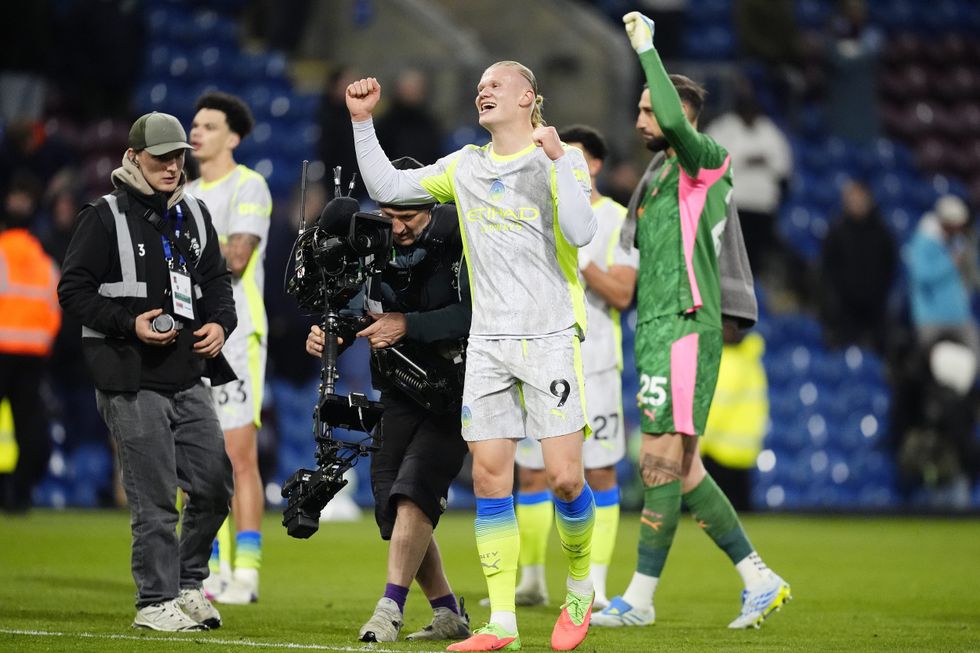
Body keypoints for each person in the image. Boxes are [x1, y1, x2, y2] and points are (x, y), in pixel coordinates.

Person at [346, 60, 598, 652]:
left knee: (565, 479)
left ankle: (580, 586)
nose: (483, 90)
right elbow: (389, 189)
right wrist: (362, 121)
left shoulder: (560, 158)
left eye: (496, 84)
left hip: (548, 335)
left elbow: (580, 232)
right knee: (489, 479)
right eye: (479, 85)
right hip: (487, 342)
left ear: (527, 97)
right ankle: (501, 621)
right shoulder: (464, 165)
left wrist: (560, 162)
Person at [592, 13, 790, 630]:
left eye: (648, 110)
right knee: (682, 468)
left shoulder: (707, 161)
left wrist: (646, 48)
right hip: (654, 327)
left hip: (684, 323)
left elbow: (678, 128)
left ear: (678, 114)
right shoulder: (654, 180)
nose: (639, 121)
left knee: (658, 460)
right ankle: (758, 579)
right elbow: (628, 260)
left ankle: (640, 599)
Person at [57, 112, 236, 631]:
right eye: (161, 157)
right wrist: (127, 323)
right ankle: (154, 602)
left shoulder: (195, 213)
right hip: (129, 377)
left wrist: (221, 323)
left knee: (214, 487)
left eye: (178, 156)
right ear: (133, 158)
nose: (172, 165)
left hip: (187, 373)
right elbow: (72, 290)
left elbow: (217, 281)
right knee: (155, 498)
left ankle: (187, 584)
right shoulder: (103, 216)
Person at [306, 157, 472, 643]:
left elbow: (476, 314)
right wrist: (332, 335)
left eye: (408, 217)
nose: (396, 227)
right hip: (398, 390)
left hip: (455, 392)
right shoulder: (372, 244)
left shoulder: (462, 239)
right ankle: (448, 611)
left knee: (414, 491)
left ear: (432, 208)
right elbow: (361, 311)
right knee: (390, 506)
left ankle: (389, 608)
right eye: (388, 215)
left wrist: (408, 325)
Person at [510, 125, 637, 611]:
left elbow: (622, 293)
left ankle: (596, 583)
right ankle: (532, 580)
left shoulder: (617, 219)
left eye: (575, 156)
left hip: (596, 366)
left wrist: (578, 257)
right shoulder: (540, 212)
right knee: (531, 474)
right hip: (542, 362)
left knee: (599, 472)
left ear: (596, 165)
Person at [187, 91, 272, 605]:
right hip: (190, 335)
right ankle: (211, 568)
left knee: (238, 455)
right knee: (196, 459)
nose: (196, 133)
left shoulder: (249, 186)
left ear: (233, 137)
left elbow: (237, 258)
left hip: (238, 337)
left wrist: (183, 243)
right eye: (195, 125)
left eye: (209, 126)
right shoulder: (185, 192)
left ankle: (247, 571)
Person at [0, 172, 60, 513]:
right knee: (31, 431)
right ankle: (19, 497)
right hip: (33, 356)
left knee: (29, 431)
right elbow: (55, 310)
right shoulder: (45, 262)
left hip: (5, 352)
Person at [705, 76, 793, 284]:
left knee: (755, 261)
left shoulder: (769, 131)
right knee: (730, 260)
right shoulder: (723, 127)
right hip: (732, 207)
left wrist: (746, 160)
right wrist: (751, 159)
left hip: (762, 208)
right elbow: (711, 161)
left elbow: (782, 166)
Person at [819, 179, 897, 353]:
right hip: (845, 309)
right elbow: (828, 269)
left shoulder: (882, 232)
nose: (857, 203)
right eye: (852, 199)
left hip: (875, 307)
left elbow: (889, 265)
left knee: (879, 352)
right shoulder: (836, 232)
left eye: (860, 199)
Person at [699, 326, 769, 512]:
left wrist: (696, 446)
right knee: (741, 513)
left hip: (720, 452)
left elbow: (713, 410)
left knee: (715, 515)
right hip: (745, 453)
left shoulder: (727, 363)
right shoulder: (751, 360)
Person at [905, 194, 979, 361]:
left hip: (958, 315)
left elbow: (969, 275)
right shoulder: (922, 242)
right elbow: (921, 276)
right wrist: (950, 263)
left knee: (974, 357)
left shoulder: (958, 242)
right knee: (928, 364)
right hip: (931, 317)